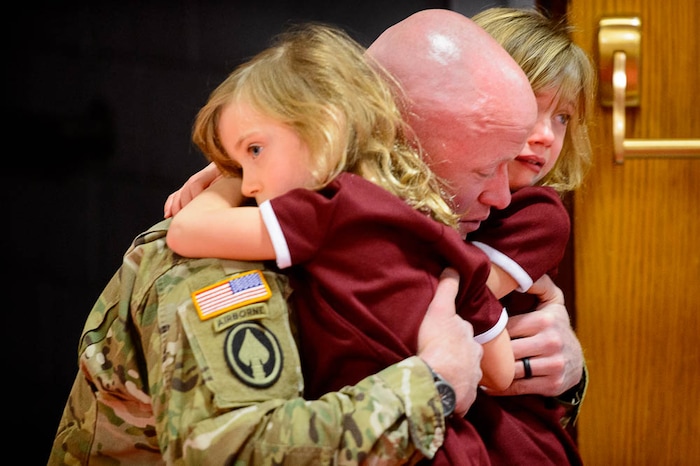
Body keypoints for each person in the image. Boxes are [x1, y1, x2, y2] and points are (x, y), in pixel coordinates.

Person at [51, 8, 583, 465]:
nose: (502, 196)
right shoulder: (225, 260)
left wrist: (559, 371)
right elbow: (235, 452)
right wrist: (433, 385)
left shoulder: (401, 238)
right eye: (481, 171)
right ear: (395, 145)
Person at [165, 22, 515, 400]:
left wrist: (225, 182)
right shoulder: (430, 227)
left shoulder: (327, 210)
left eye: (254, 152)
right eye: (239, 165)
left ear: (327, 128)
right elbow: (501, 372)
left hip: (388, 444)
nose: (250, 183)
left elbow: (185, 231)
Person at [460, 7, 594, 466]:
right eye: (531, 106)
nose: (546, 136)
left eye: (562, 118)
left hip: (507, 429)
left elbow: (457, 299)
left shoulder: (540, 212)